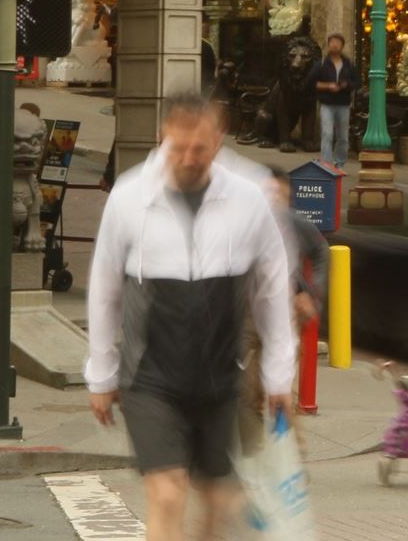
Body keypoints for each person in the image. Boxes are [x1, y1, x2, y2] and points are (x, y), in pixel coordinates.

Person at [85, 93, 297, 541]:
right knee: (166, 494)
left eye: (199, 148)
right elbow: (104, 292)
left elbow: (272, 291)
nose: (187, 158)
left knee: (221, 505)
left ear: (218, 140)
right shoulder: (129, 198)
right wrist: (100, 375)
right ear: (164, 136)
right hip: (150, 377)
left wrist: (279, 376)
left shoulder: (249, 196)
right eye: (178, 147)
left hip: (220, 379)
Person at [239, 168, 330, 454]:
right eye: (268, 194)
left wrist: (312, 294)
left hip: (283, 313)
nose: (274, 202)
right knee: (246, 387)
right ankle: (261, 452)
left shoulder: (293, 224)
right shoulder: (241, 226)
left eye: (281, 196)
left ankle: (284, 454)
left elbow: (321, 252)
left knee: (273, 385)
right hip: (246, 315)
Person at [311, 33, 358, 166]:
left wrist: (345, 85)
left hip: (343, 104)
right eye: (332, 41)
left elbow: (356, 82)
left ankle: (340, 162)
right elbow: (312, 82)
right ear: (328, 44)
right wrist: (328, 86)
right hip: (327, 103)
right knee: (327, 134)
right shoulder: (322, 63)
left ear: (342, 45)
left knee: (343, 136)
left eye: (338, 42)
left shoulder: (348, 64)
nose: (335, 44)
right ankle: (326, 163)